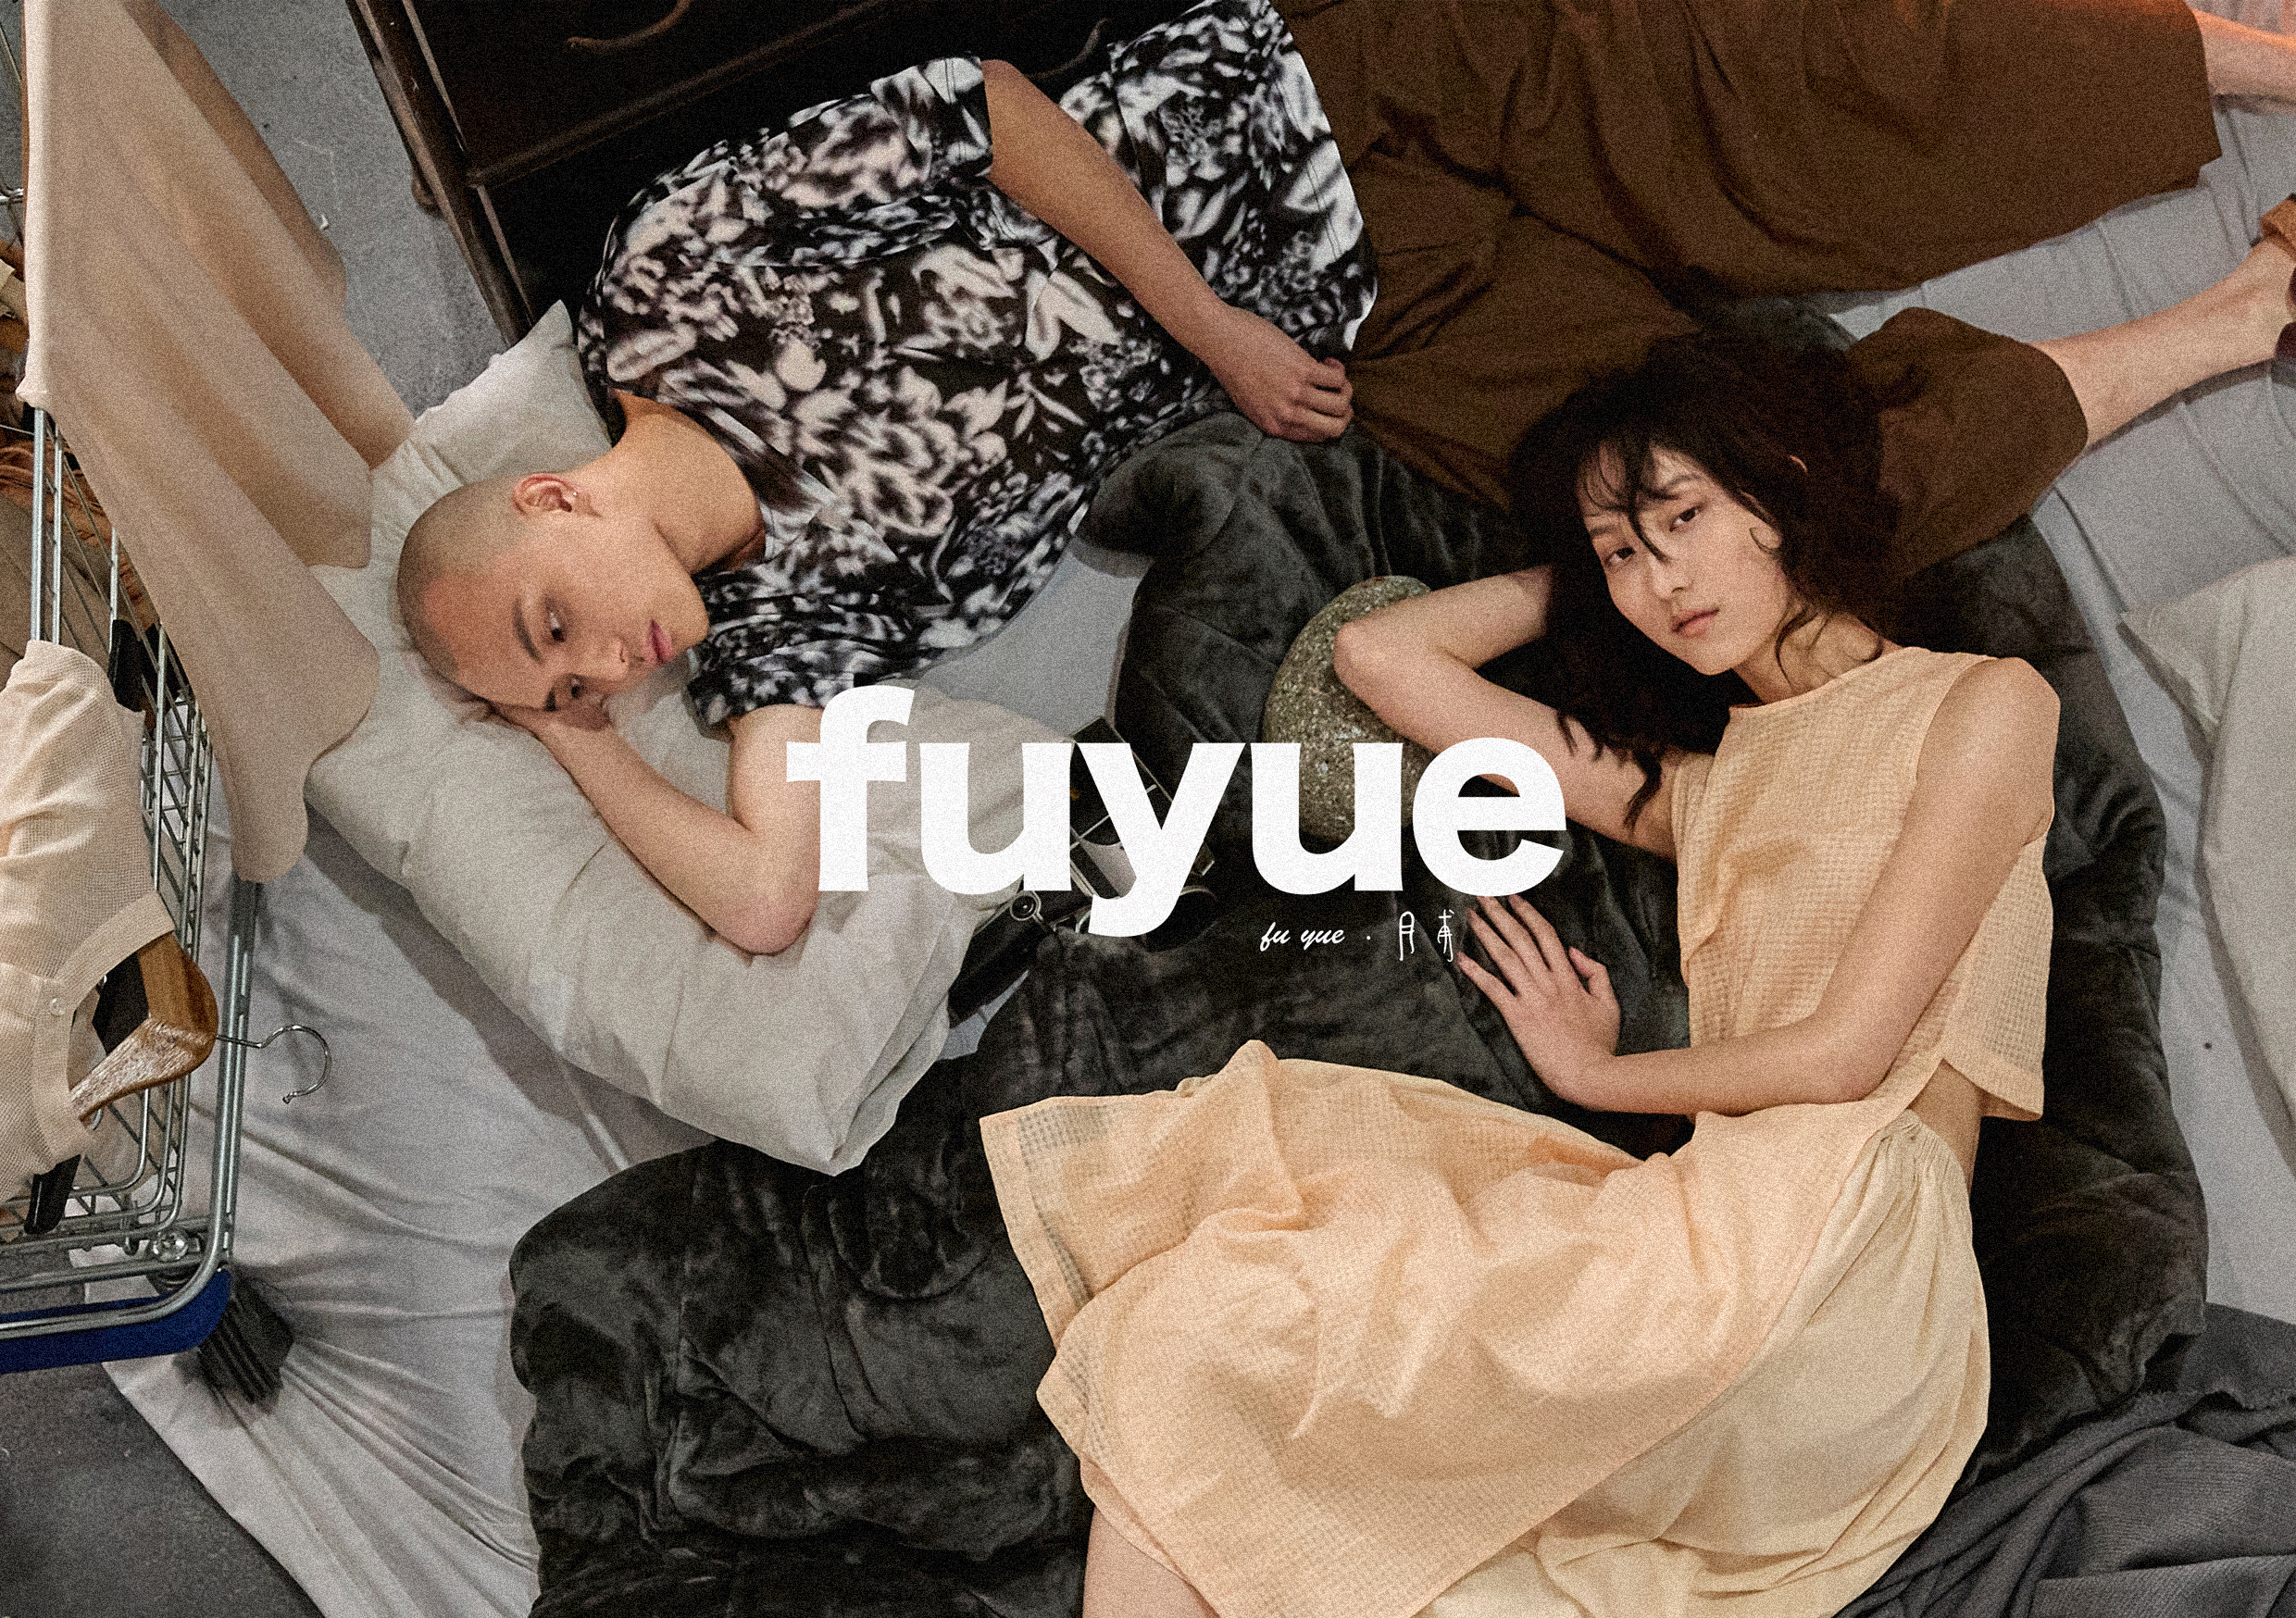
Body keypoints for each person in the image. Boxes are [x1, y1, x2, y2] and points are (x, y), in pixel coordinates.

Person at [397, 0, 2296, 958]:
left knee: (1760, 125)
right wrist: (564, 735)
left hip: (1303, 89)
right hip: (1369, 324)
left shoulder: (665, 287)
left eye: (556, 626)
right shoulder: (784, 627)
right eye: (569, 681)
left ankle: (2240, 54)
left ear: (553, 495)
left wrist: (1207, 329)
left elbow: (987, 109)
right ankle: (2239, 316)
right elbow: (762, 899)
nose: (603, 663)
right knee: (1710, 533)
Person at [975, 329, 2064, 1617]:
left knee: (1214, 1333)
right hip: (1738, 1238)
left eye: (1685, 518)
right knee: (1201, 1353)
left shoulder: (1988, 703)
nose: (1662, 580)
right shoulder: (1700, 791)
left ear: (1781, 484)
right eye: (1622, 555)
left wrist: (1596, 1071)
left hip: (1843, 1265)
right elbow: (1382, 663)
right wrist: (1593, 568)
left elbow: (1845, 1056)